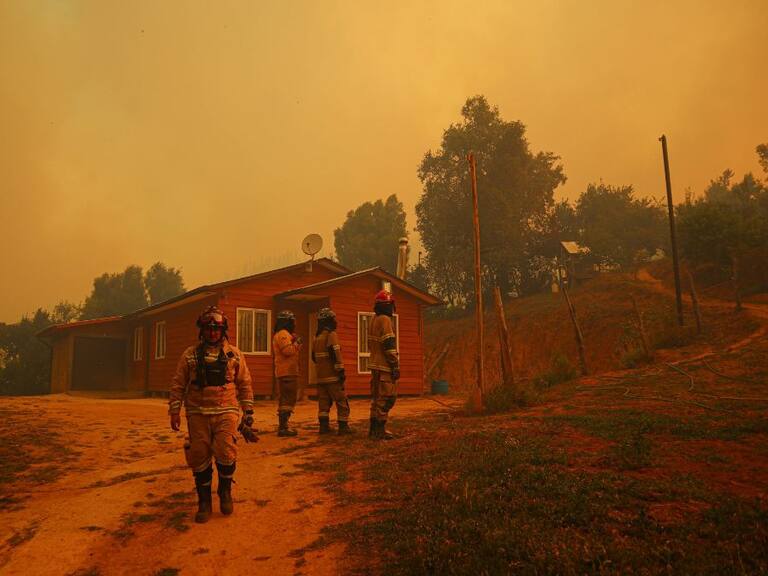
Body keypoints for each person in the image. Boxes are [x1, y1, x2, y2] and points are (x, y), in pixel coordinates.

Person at [169, 305, 256, 524]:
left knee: (226, 451)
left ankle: (225, 492)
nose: (212, 333)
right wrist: (175, 410)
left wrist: (248, 411)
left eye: (217, 329)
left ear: (223, 330)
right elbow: (178, 383)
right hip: (197, 412)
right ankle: (204, 501)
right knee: (199, 454)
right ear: (202, 330)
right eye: (208, 329)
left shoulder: (234, 354)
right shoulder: (190, 356)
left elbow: (244, 383)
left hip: (226, 410)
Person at [311, 307, 352, 435]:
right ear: (329, 321)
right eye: (333, 319)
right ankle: (343, 427)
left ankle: (323, 427)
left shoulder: (316, 338)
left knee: (323, 403)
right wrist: (341, 371)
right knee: (341, 401)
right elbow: (336, 354)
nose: (336, 321)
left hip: (321, 378)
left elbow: (314, 358)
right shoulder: (331, 335)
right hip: (333, 377)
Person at [368, 290, 399, 440]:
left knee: (376, 399)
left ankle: (373, 430)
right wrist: (395, 365)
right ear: (388, 305)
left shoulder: (374, 319)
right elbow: (389, 345)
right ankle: (380, 430)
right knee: (388, 398)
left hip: (374, 365)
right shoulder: (385, 320)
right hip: (385, 366)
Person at [273, 309, 302, 437]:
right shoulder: (283, 334)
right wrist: (297, 343)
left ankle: (283, 425)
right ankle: (283, 427)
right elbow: (288, 351)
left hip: (286, 371)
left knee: (286, 398)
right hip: (287, 372)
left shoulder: (282, 334)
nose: (294, 324)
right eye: (292, 321)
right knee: (288, 399)